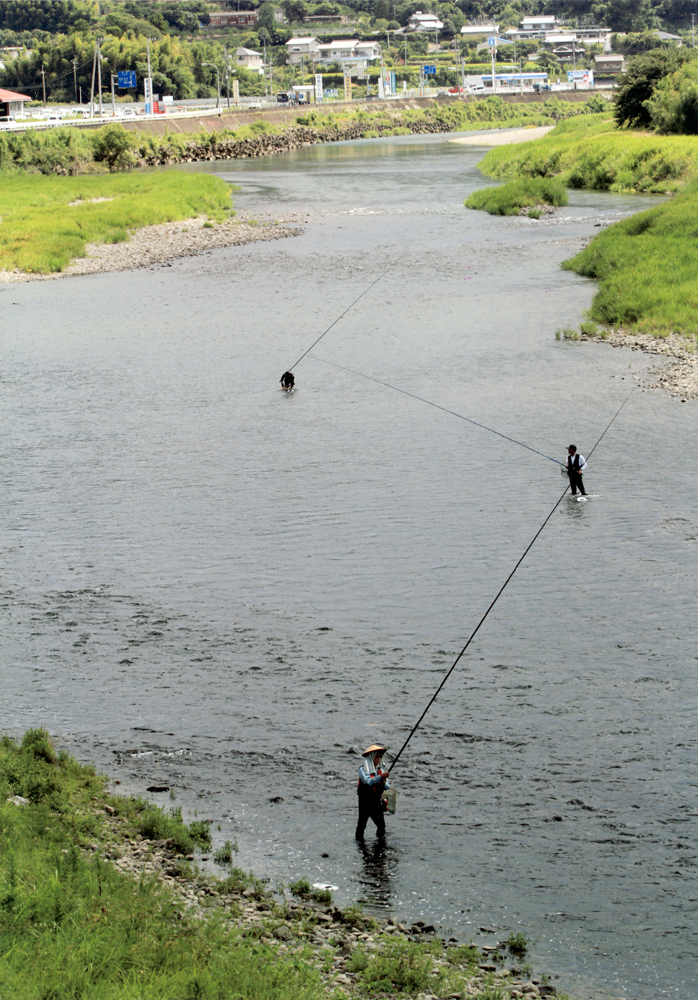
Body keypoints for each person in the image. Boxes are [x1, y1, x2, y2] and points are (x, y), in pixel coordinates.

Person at [356, 744, 390, 840]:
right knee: (362, 825)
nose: (379, 759)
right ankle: (360, 844)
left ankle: (380, 845)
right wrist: (380, 777)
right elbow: (368, 781)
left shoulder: (380, 771)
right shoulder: (362, 770)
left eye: (380, 756)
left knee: (381, 826)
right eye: (377, 756)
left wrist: (383, 781)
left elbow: (387, 786)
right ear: (371, 757)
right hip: (365, 802)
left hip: (376, 802)